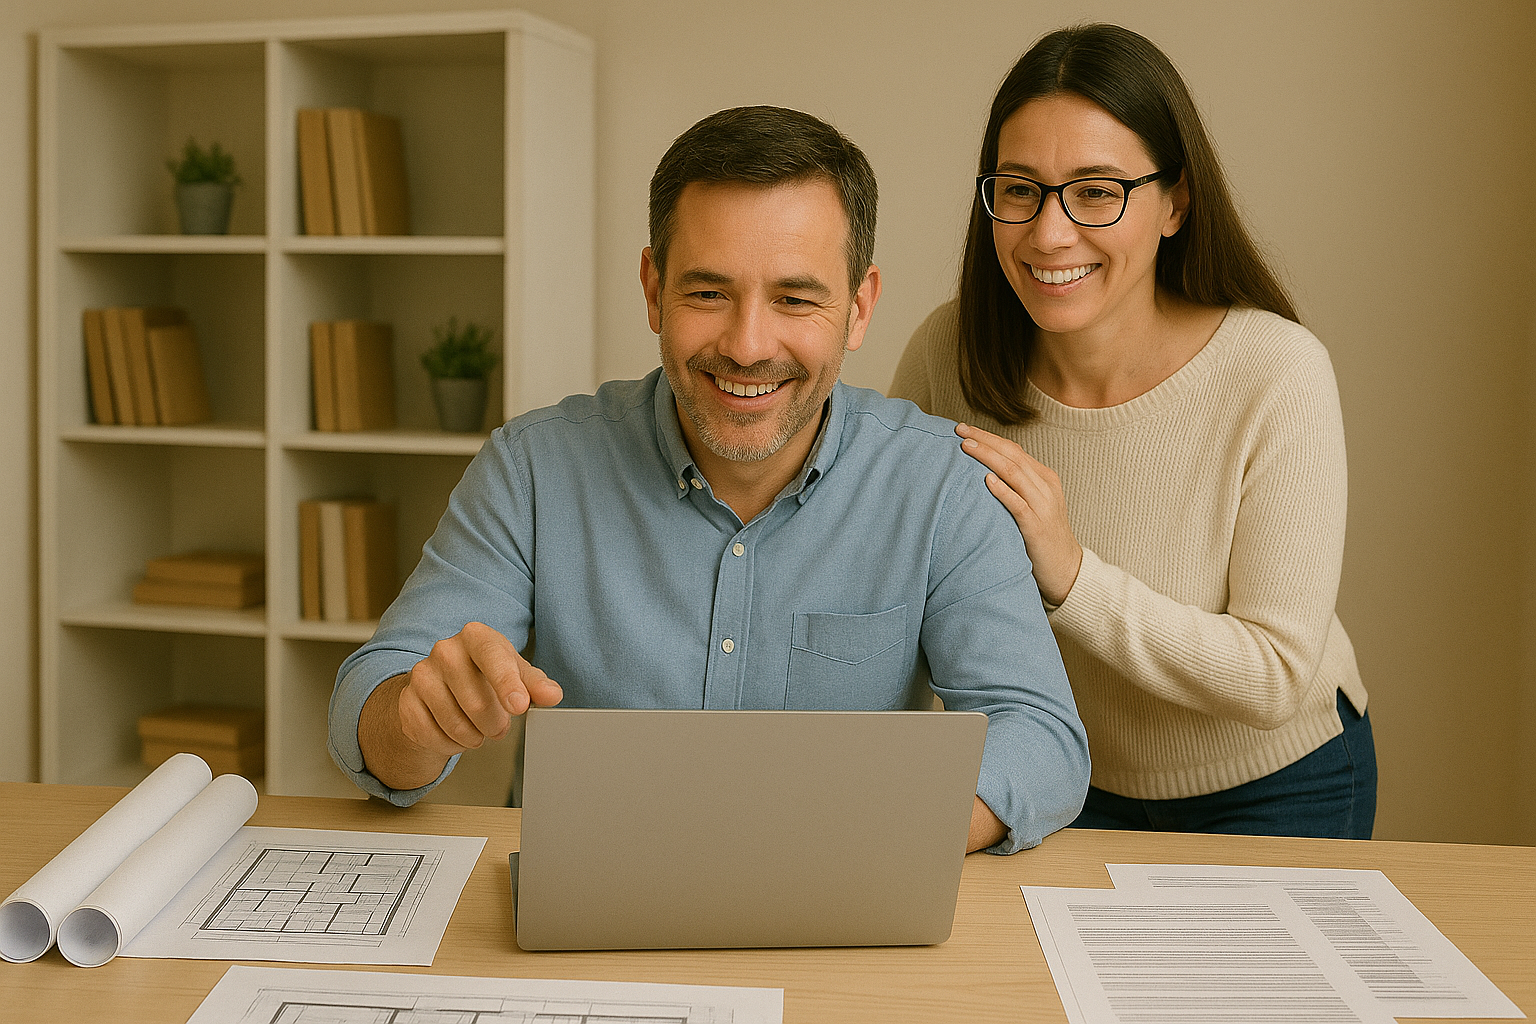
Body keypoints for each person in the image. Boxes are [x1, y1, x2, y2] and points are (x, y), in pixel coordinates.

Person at [329, 105, 1090, 854]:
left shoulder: (943, 488)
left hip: (840, 907)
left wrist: (864, 837)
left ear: (859, 308)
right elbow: (369, 705)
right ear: (653, 288)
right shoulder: (531, 469)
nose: (748, 345)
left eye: (795, 298)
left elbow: (1041, 736)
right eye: (707, 293)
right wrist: (416, 720)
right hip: (591, 907)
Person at [890, 25, 1375, 838]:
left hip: (1279, 785)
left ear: (1176, 202)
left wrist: (1074, 577)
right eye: (1019, 189)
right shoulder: (951, 353)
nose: (1048, 234)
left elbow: (1277, 676)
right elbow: (892, 580)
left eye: (1096, 190)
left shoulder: (1276, 371)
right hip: (1058, 784)